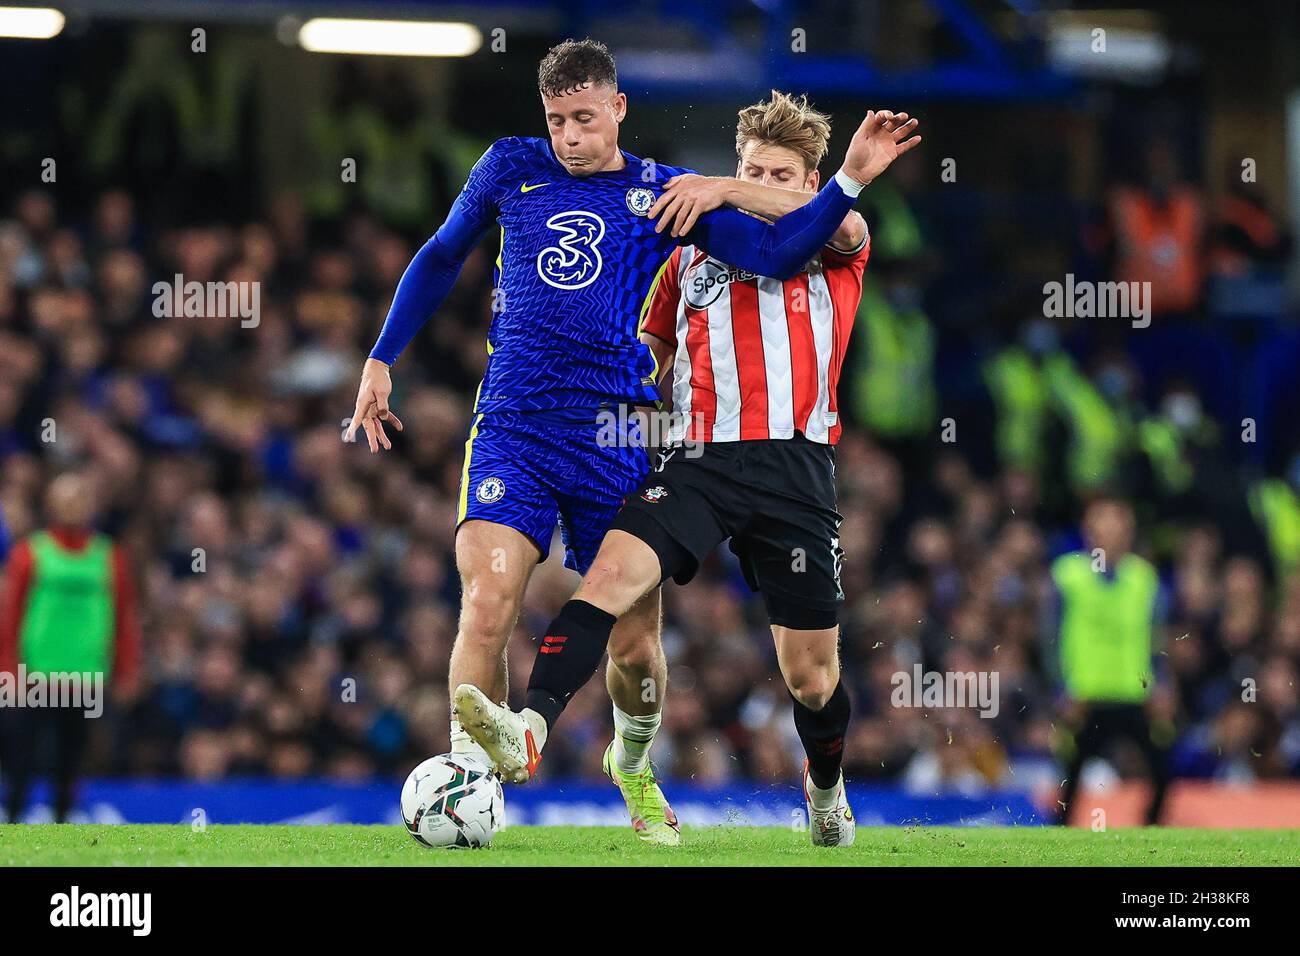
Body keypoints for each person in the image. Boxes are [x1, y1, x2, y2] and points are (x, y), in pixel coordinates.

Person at [345, 38, 903, 844]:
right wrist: (381, 357)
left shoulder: (681, 200)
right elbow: (440, 255)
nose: (570, 136)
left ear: (618, 109)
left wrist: (746, 183)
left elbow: (784, 251)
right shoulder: (513, 168)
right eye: (556, 120)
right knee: (490, 597)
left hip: (654, 445)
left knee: (663, 655)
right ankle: (480, 776)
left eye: (584, 118)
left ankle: (635, 765)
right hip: (528, 426)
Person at [0, 473, 141, 822]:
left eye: (81, 496)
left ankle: (62, 831)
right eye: (67, 497)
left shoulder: (109, 557)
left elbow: (123, 617)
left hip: (84, 676)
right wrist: (7, 669)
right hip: (35, 676)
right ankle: (13, 829)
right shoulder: (30, 554)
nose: (74, 504)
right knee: (23, 759)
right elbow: (11, 616)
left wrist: (127, 669)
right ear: (51, 503)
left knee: (71, 761)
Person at [1050, 495, 1170, 825]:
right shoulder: (1067, 575)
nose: (1111, 530)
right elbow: (1050, 637)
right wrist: (1061, 689)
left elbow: (1157, 637)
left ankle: (1149, 837)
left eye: (1119, 522)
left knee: (1161, 771)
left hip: (1135, 693)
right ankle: (1056, 839)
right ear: (1088, 529)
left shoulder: (1144, 578)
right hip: (1085, 695)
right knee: (1070, 777)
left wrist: (1162, 685)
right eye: (1103, 522)